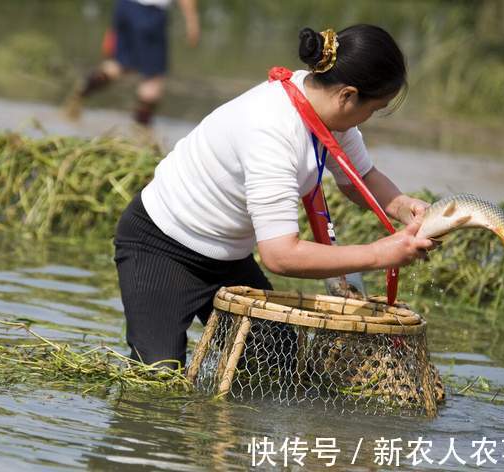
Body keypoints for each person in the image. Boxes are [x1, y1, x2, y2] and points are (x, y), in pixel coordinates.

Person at [114, 24, 434, 367]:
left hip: (227, 257)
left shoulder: (320, 105)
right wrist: (379, 254)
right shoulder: (272, 131)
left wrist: (405, 207)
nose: (367, 119)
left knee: (278, 363)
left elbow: (360, 178)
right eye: (373, 109)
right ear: (348, 96)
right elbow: (281, 255)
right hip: (162, 246)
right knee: (159, 379)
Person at [65, 0, 200, 126]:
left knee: (119, 64)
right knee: (153, 79)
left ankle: (81, 91)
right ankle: (141, 131)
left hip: (125, 7)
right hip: (150, 14)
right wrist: (192, 22)